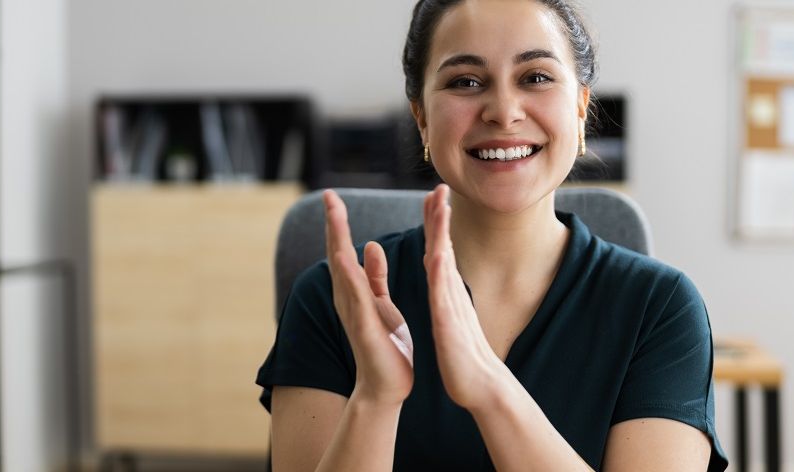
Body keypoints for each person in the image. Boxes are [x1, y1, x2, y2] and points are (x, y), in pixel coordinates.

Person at [256, 0, 728, 470]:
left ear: (581, 108)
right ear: (421, 117)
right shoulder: (332, 298)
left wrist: (489, 389)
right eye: (465, 82)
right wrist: (375, 400)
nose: (503, 112)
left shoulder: (661, 307)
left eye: (536, 77)